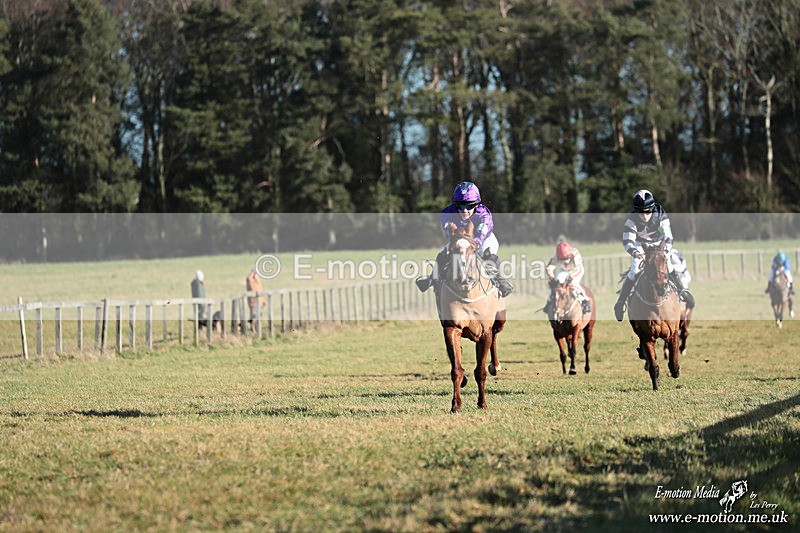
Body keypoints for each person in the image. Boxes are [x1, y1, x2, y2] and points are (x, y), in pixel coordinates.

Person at [415, 181, 514, 297]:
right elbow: (449, 230)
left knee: (487, 254)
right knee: (443, 253)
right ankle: (433, 278)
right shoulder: (447, 213)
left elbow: (483, 231)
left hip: (484, 238)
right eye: (460, 206)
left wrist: (477, 242)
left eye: (469, 206)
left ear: (476, 204)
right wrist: (458, 241)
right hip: (460, 238)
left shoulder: (483, 213)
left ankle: (502, 282)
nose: (464, 210)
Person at [613, 189, 695, 321]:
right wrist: (636, 252)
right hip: (640, 245)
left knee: (668, 266)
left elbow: (668, 237)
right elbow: (627, 242)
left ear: (652, 208)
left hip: (659, 244)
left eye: (647, 212)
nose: (644, 216)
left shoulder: (661, 216)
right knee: (634, 270)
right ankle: (621, 302)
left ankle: (683, 292)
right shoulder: (631, 221)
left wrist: (664, 252)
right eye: (641, 213)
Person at [543, 241, 591, 315]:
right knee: (556, 285)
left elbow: (578, 268)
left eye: (567, 258)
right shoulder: (557, 256)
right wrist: (552, 277)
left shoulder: (575, 254)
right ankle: (549, 301)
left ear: (570, 254)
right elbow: (549, 267)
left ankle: (585, 301)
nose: (566, 261)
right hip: (563, 270)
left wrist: (572, 276)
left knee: (573, 284)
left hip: (576, 270)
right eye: (562, 259)